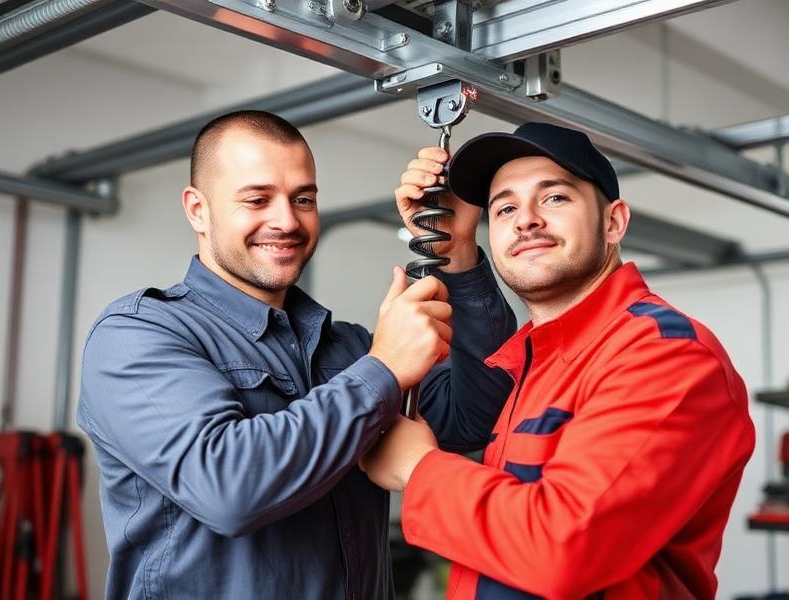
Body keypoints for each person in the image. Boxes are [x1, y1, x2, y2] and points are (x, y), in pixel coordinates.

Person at [76, 110, 516, 599]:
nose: (286, 220)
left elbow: (477, 417)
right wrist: (385, 368)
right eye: (257, 199)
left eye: (303, 198)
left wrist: (454, 248)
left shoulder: (348, 348)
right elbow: (228, 489)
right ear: (197, 209)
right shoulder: (138, 334)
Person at [361, 122, 756, 599]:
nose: (525, 219)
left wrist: (416, 469)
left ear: (613, 222)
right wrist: (455, 249)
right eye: (505, 207)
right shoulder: (535, 359)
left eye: (554, 198)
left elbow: (566, 548)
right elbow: (463, 418)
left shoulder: (665, 354)